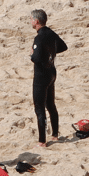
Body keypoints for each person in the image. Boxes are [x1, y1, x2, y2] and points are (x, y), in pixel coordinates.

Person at [30, 9, 68, 146]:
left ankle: (42, 141)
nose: (30, 21)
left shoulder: (39, 38)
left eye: (31, 19)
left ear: (36, 21)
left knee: (39, 108)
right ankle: (55, 135)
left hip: (41, 76)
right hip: (52, 72)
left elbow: (36, 58)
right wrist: (50, 51)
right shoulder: (51, 33)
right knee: (51, 105)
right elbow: (63, 46)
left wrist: (32, 53)